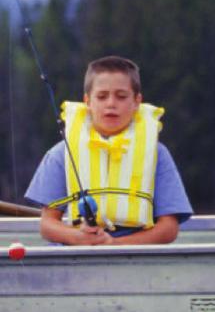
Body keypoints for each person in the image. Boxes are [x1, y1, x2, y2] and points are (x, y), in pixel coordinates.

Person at [25, 55, 192, 246]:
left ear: (137, 101)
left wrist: (113, 245)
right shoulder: (60, 154)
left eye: (121, 96)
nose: (111, 103)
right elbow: (47, 225)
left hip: (135, 261)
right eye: (102, 96)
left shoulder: (158, 155)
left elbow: (169, 228)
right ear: (87, 101)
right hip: (76, 260)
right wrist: (78, 237)